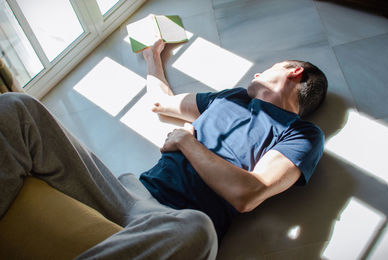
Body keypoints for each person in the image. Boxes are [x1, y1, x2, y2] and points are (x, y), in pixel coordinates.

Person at [0, 39, 327, 259]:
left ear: (293, 71)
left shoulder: (302, 134)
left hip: (173, 221)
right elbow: (162, 102)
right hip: (127, 193)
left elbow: (248, 194)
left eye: (268, 67)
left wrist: (186, 141)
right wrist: (152, 58)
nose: (257, 72)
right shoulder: (230, 98)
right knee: (19, 108)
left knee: (198, 232)